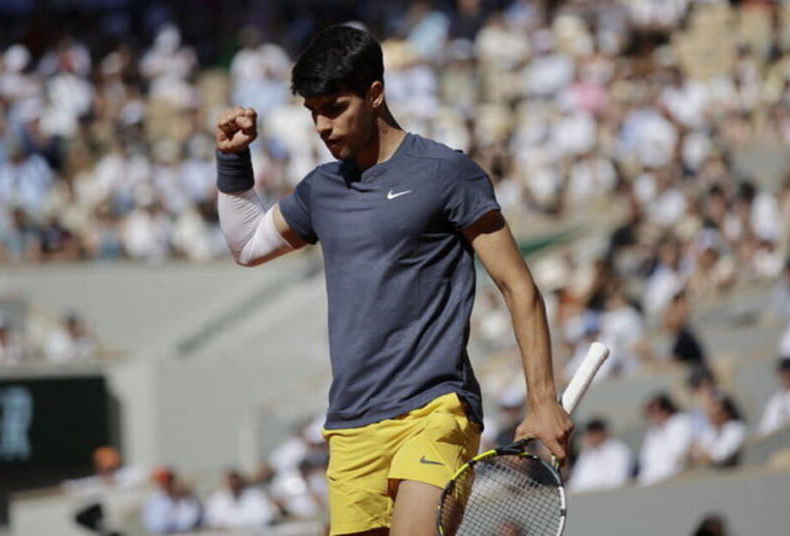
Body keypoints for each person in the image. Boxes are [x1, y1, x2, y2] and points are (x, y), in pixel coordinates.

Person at [214, 26, 571, 535]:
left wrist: (541, 399)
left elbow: (519, 286)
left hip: (436, 411)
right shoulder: (321, 190)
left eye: (334, 107)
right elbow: (246, 246)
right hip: (350, 426)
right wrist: (232, 159)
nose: (322, 125)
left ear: (376, 94)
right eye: (313, 111)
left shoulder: (447, 173)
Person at [638, 394, 694, 485]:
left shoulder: (681, 423)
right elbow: (646, 460)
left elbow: (677, 456)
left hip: (673, 480)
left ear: (667, 409)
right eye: (651, 413)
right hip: (649, 481)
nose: (655, 416)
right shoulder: (652, 432)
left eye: (658, 411)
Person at [566, 418, 632, 492]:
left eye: (595, 433)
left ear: (603, 432)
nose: (592, 438)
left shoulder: (619, 451)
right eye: (590, 434)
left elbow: (618, 479)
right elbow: (576, 481)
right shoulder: (586, 455)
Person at [205, 470, 277, 530]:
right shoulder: (217, 499)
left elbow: (264, 518)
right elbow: (211, 521)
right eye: (231, 483)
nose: (234, 485)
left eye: (236, 483)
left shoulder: (256, 496)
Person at [690, 395, 746, 468]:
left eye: (715, 412)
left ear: (727, 413)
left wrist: (704, 456)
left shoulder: (736, 429)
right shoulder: (713, 430)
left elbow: (719, 457)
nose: (711, 415)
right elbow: (695, 452)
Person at [142, 468, 202, 534]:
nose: (167, 485)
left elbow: (193, 519)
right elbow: (157, 525)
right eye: (163, 483)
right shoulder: (154, 502)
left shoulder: (187, 498)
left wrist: (184, 498)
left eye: (169, 481)